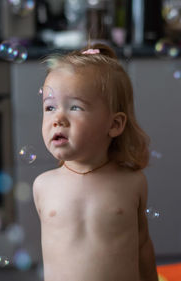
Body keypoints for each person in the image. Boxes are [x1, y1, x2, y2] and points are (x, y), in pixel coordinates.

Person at [33, 43, 158, 281]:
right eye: (50, 107)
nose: (58, 118)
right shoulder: (43, 185)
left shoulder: (132, 182)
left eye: (75, 107)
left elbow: (142, 245)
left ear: (114, 125)